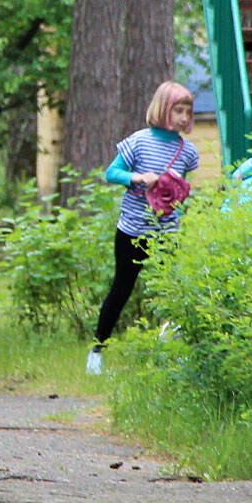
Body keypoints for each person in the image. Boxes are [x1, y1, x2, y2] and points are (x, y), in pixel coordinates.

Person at [86, 81, 201, 375]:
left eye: (188, 111)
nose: (184, 117)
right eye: (178, 110)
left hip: (167, 232)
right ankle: (97, 351)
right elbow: (111, 173)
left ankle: (172, 349)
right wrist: (137, 178)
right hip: (133, 231)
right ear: (163, 109)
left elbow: (182, 189)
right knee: (122, 288)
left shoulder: (187, 151)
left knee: (173, 289)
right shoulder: (138, 141)